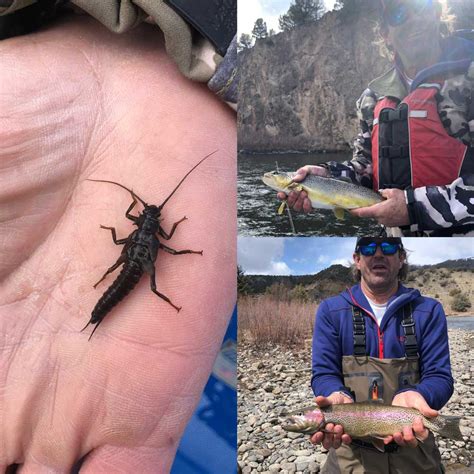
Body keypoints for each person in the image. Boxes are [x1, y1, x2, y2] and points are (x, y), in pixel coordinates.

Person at [0, 13, 236, 473]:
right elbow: (166, 243)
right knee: (133, 280)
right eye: (151, 214)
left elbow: (146, 236)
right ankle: (97, 316)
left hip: (128, 270)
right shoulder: (154, 234)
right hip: (132, 272)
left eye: (152, 215)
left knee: (127, 278)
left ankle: (97, 316)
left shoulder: (142, 230)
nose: (151, 216)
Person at [278, 0, 474, 236]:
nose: (413, 18)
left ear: (438, 12)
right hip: (394, 240)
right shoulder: (371, 99)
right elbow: (365, 168)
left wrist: (414, 207)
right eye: (398, 13)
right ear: (386, 34)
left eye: (421, 6)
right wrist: (327, 176)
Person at [310, 237, 454, 473]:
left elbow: (440, 377)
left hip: (414, 448)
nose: (378, 254)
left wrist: (418, 395)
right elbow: (323, 373)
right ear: (357, 260)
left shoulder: (428, 310)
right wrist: (334, 394)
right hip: (350, 456)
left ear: (401, 259)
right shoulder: (331, 311)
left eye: (387, 247)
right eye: (368, 248)